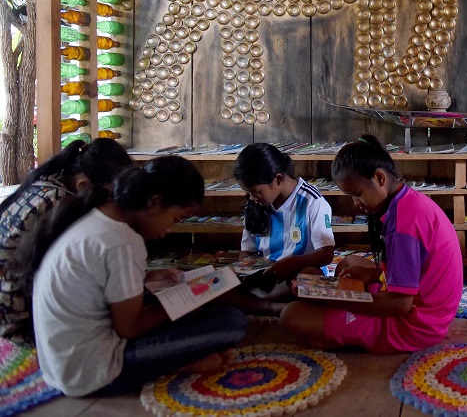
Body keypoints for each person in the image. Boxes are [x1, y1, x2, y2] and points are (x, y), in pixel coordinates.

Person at [17, 157, 247, 397]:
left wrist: (149, 278)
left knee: (190, 308)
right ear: (154, 202)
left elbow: (100, 284)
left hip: (60, 365)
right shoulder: (123, 242)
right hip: (90, 372)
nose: (169, 229)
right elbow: (129, 328)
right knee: (230, 322)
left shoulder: (100, 216)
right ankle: (181, 365)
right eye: (175, 219)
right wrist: (193, 298)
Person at [279, 135, 462, 353]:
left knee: (291, 315)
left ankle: (340, 334)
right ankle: (336, 330)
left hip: (416, 325)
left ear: (379, 178)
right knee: (348, 264)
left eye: (357, 194)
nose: (356, 204)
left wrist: (333, 298)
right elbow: (414, 268)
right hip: (425, 307)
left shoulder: (403, 225)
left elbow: (400, 305)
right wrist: (374, 275)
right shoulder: (407, 201)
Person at [0, 138, 132, 342]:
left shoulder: (44, 185)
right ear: (84, 185)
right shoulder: (56, 203)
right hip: (15, 318)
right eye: (109, 195)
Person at [234, 143, 336, 281]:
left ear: (278, 179)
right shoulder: (255, 204)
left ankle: (265, 301)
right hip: (266, 274)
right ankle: (268, 301)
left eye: (257, 192)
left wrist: (289, 264)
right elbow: (247, 251)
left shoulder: (312, 201)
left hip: (299, 270)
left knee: (307, 276)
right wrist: (244, 271)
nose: (252, 198)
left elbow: (326, 254)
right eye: (248, 192)